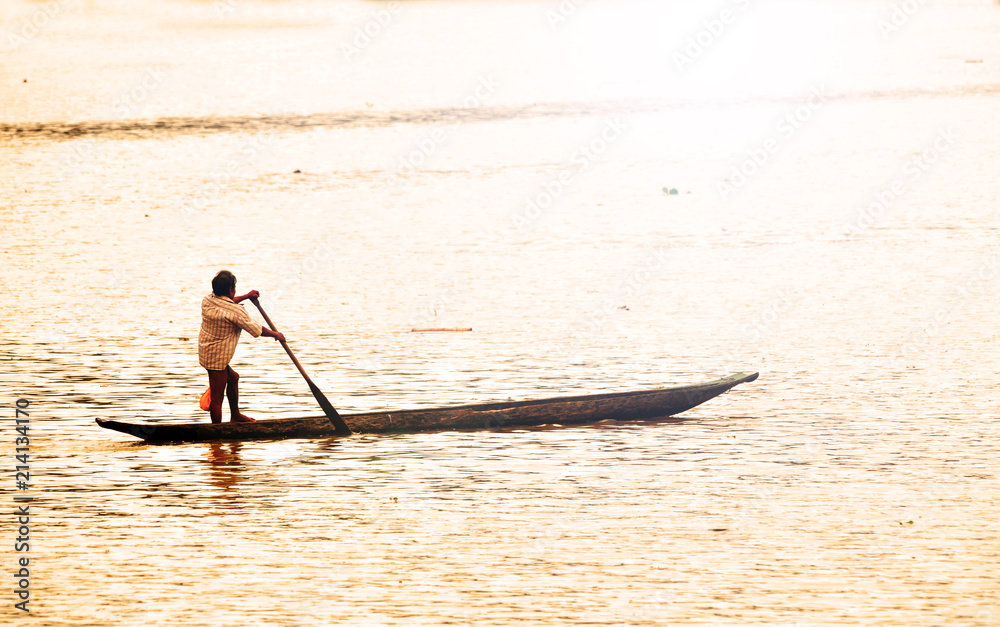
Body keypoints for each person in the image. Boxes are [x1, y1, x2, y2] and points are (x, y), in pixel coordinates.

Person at [198, 270, 285, 423]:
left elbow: (227, 303)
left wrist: (246, 296)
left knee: (233, 378)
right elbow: (256, 329)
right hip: (216, 359)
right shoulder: (236, 311)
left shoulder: (208, 300)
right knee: (217, 398)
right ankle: (216, 435)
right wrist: (275, 334)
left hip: (208, 352)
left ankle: (235, 416)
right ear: (231, 290)